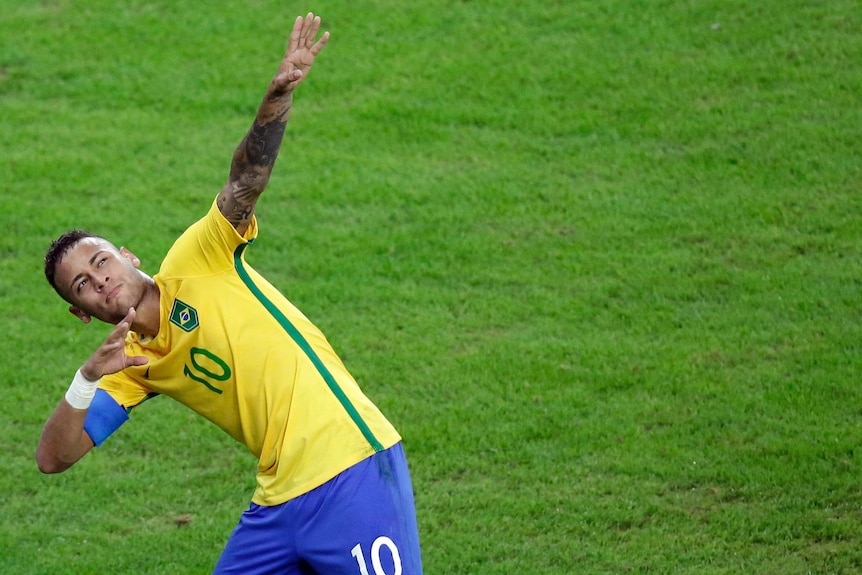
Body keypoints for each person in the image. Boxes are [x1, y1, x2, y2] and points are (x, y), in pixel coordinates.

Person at [36, 12, 423, 575]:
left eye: (100, 261)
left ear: (128, 255)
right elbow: (53, 458)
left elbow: (247, 180)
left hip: (351, 467)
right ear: (81, 311)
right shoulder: (130, 367)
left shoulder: (200, 258)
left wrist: (278, 94)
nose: (99, 280)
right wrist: (86, 379)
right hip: (277, 501)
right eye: (83, 285)